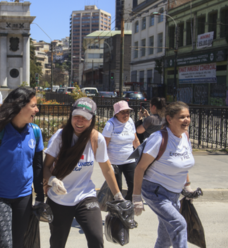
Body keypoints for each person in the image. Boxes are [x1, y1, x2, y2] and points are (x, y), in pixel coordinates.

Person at [44, 97, 124, 248]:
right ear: (71, 116)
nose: (79, 121)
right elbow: (45, 167)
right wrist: (52, 180)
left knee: (96, 239)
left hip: (85, 196)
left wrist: (118, 196)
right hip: (59, 199)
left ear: (92, 119)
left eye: (85, 118)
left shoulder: (96, 139)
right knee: (57, 243)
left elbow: (106, 169)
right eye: (76, 116)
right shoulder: (60, 137)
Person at [0, 87, 44, 247]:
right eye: (33, 105)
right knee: (6, 243)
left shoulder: (35, 132)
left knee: (19, 243)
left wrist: (40, 197)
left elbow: (38, 166)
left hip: (24, 196)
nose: (37, 109)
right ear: (20, 106)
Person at [133, 101, 196, 248]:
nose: (186, 120)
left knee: (165, 238)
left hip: (174, 194)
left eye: (188, 116)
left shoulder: (185, 137)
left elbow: (184, 164)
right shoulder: (159, 138)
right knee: (179, 224)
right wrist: (136, 197)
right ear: (169, 119)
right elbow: (140, 167)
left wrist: (187, 186)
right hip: (156, 193)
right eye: (181, 117)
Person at [102, 100, 140, 201]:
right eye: (123, 112)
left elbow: (135, 140)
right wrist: (107, 163)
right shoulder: (110, 124)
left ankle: (126, 209)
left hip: (130, 160)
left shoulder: (130, 122)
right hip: (114, 162)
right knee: (116, 191)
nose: (126, 114)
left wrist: (141, 154)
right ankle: (117, 214)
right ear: (116, 113)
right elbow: (104, 146)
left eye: (128, 112)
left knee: (134, 187)